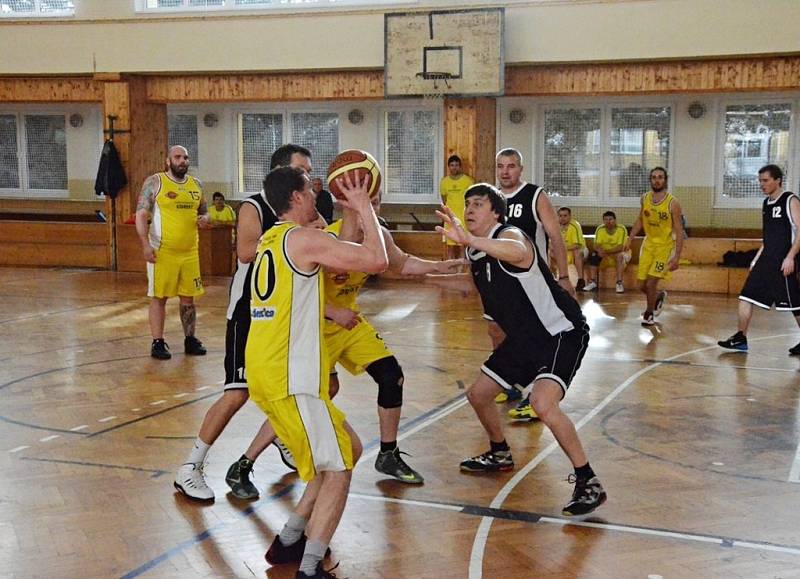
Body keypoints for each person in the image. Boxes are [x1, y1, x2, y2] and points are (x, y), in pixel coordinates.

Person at [227, 190, 464, 491]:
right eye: (368, 203)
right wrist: (332, 311)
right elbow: (295, 290)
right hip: (314, 329)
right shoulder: (326, 236)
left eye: (376, 203)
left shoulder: (379, 236)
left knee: (392, 376)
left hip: (350, 324)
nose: (373, 209)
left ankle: (388, 453)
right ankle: (244, 462)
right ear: (348, 205)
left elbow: (400, 264)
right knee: (310, 398)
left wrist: (436, 266)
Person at [248, 165, 388, 579]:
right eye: (309, 191)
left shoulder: (272, 241)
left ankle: (290, 539)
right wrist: (364, 208)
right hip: (289, 375)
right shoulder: (302, 239)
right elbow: (376, 260)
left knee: (348, 448)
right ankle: (310, 568)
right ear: (294, 198)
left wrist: (348, 217)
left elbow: (332, 259)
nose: (315, 197)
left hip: (269, 369)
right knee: (339, 467)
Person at [437, 183, 606, 517]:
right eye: (467, 204)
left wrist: (469, 239)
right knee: (479, 395)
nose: (470, 209)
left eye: (478, 204)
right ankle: (500, 452)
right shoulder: (476, 252)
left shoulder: (511, 235)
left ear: (496, 212)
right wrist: (418, 275)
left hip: (560, 332)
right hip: (524, 339)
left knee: (543, 403)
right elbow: (471, 285)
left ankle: (588, 480)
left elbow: (519, 254)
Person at [174, 144, 313, 502]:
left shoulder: (306, 210)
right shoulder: (255, 205)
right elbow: (246, 252)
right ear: (283, 172)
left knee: (288, 384)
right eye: (303, 170)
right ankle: (190, 467)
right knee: (238, 391)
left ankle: (279, 437)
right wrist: (291, 232)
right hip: (249, 312)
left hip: (282, 316)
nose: (310, 178)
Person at [495, 147, 572, 419]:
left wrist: (563, 276)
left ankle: (535, 395)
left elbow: (555, 237)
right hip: (501, 283)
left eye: (511, 166)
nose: (506, 171)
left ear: (520, 169)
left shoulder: (535, 196)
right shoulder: (491, 200)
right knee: (498, 333)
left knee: (536, 339)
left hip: (533, 281)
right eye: (501, 166)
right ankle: (513, 383)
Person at [135, 145, 208, 360]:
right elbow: (140, 215)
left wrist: (205, 219)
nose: (182, 160)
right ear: (168, 161)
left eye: (185, 157)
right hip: (162, 251)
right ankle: (157, 342)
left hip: (190, 252)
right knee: (159, 297)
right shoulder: (155, 182)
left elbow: (204, 212)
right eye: (177, 157)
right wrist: (145, 244)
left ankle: (190, 339)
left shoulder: (197, 185)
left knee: (188, 299)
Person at [718, 165, 800, 354]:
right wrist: (756, 258)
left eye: (765, 180)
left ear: (777, 180)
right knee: (745, 296)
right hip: (766, 261)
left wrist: (790, 257)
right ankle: (740, 338)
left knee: (795, 305)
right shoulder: (766, 204)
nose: (761, 184)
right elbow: (768, 237)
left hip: (783, 262)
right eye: (760, 180)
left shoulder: (790, 200)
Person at [624, 167, 684, 326]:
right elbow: (640, 220)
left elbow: (679, 230)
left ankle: (649, 313)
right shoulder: (644, 198)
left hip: (664, 247)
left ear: (665, 180)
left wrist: (677, 256)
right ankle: (657, 297)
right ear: (650, 180)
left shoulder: (673, 203)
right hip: (648, 245)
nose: (657, 180)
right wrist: (629, 239)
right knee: (640, 285)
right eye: (654, 177)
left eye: (660, 177)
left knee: (651, 283)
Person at [584, 211, 630, 293]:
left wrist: (606, 252)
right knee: (594, 255)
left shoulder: (621, 229)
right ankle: (592, 282)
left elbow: (621, 247)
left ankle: (619, 283)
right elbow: (596, 245)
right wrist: (599, 251)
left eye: (610, 219)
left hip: (620, 252)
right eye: (605, 219)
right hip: (605, 252)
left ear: (615, 220)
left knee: (619, 256)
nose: (608, 222)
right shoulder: (600, 229)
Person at [439, 154, 474, 261]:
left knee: (462, 245)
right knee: (450, 247)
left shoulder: (468, 181)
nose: (454, 167)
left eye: (456, 165)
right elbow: (444, 198)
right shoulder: (444, 182)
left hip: (463, 217)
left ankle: (462, 270)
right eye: (452, 165)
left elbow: (472, 198)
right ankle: (451, 271)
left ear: (460, 167)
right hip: (449, 218)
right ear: (449, 167)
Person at [556, 206, 588, 290]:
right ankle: (553, 278)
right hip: (564, 250)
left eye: (565, 216)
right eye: (560, 216)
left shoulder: (575, 225)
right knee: (549, 252)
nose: (562, 218)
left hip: (579, 249)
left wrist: (562, 249)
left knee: (577, 252)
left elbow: (577, 245)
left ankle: (581, 280)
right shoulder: (555, 226)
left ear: (570, 216)